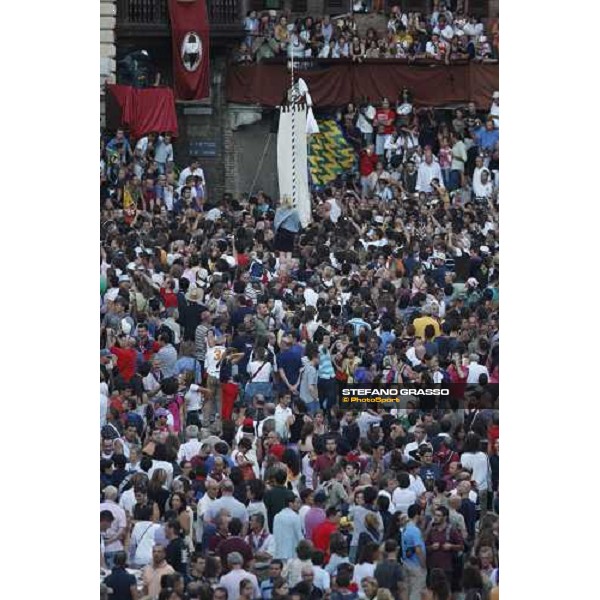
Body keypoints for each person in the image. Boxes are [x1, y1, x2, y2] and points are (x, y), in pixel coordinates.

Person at [272, 491, 304, 560]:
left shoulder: (277, 516)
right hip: (291, 553)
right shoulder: (295, 517)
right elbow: (299, 535)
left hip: (278, 552)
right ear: (290, 504)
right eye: (296, 502)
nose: (298, 505)